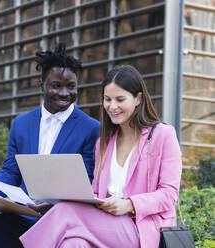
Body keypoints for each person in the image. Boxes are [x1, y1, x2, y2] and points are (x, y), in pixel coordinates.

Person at [19, 65, 182, 248]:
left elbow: (169, 194)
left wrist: (129, 204)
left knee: (65, 212)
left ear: (138, 99)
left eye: (120, 99)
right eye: (107, 99)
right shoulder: (104, 142)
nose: (112, 106)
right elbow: (96, 192)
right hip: (106, 223)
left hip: (141, 228)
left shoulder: (163, 135)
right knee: (74, 243)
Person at [0, 44, 100, 248]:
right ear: (41, 84)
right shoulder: (21, 123)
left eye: (71, 86)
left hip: (64, 220)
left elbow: (87, 180)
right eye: (56, 85)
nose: (64, 93)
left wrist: (55, 203)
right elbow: (10, 171)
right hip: (23, 216)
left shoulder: (91, 128)